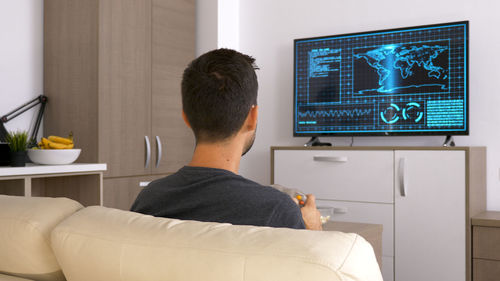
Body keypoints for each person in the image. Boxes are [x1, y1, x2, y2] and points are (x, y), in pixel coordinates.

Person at [131, 48, 322, 230]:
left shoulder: (149, 199)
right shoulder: (277, 210)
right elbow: (312, 264)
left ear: (186, 118)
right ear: (252, 117)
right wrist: (313, 231)